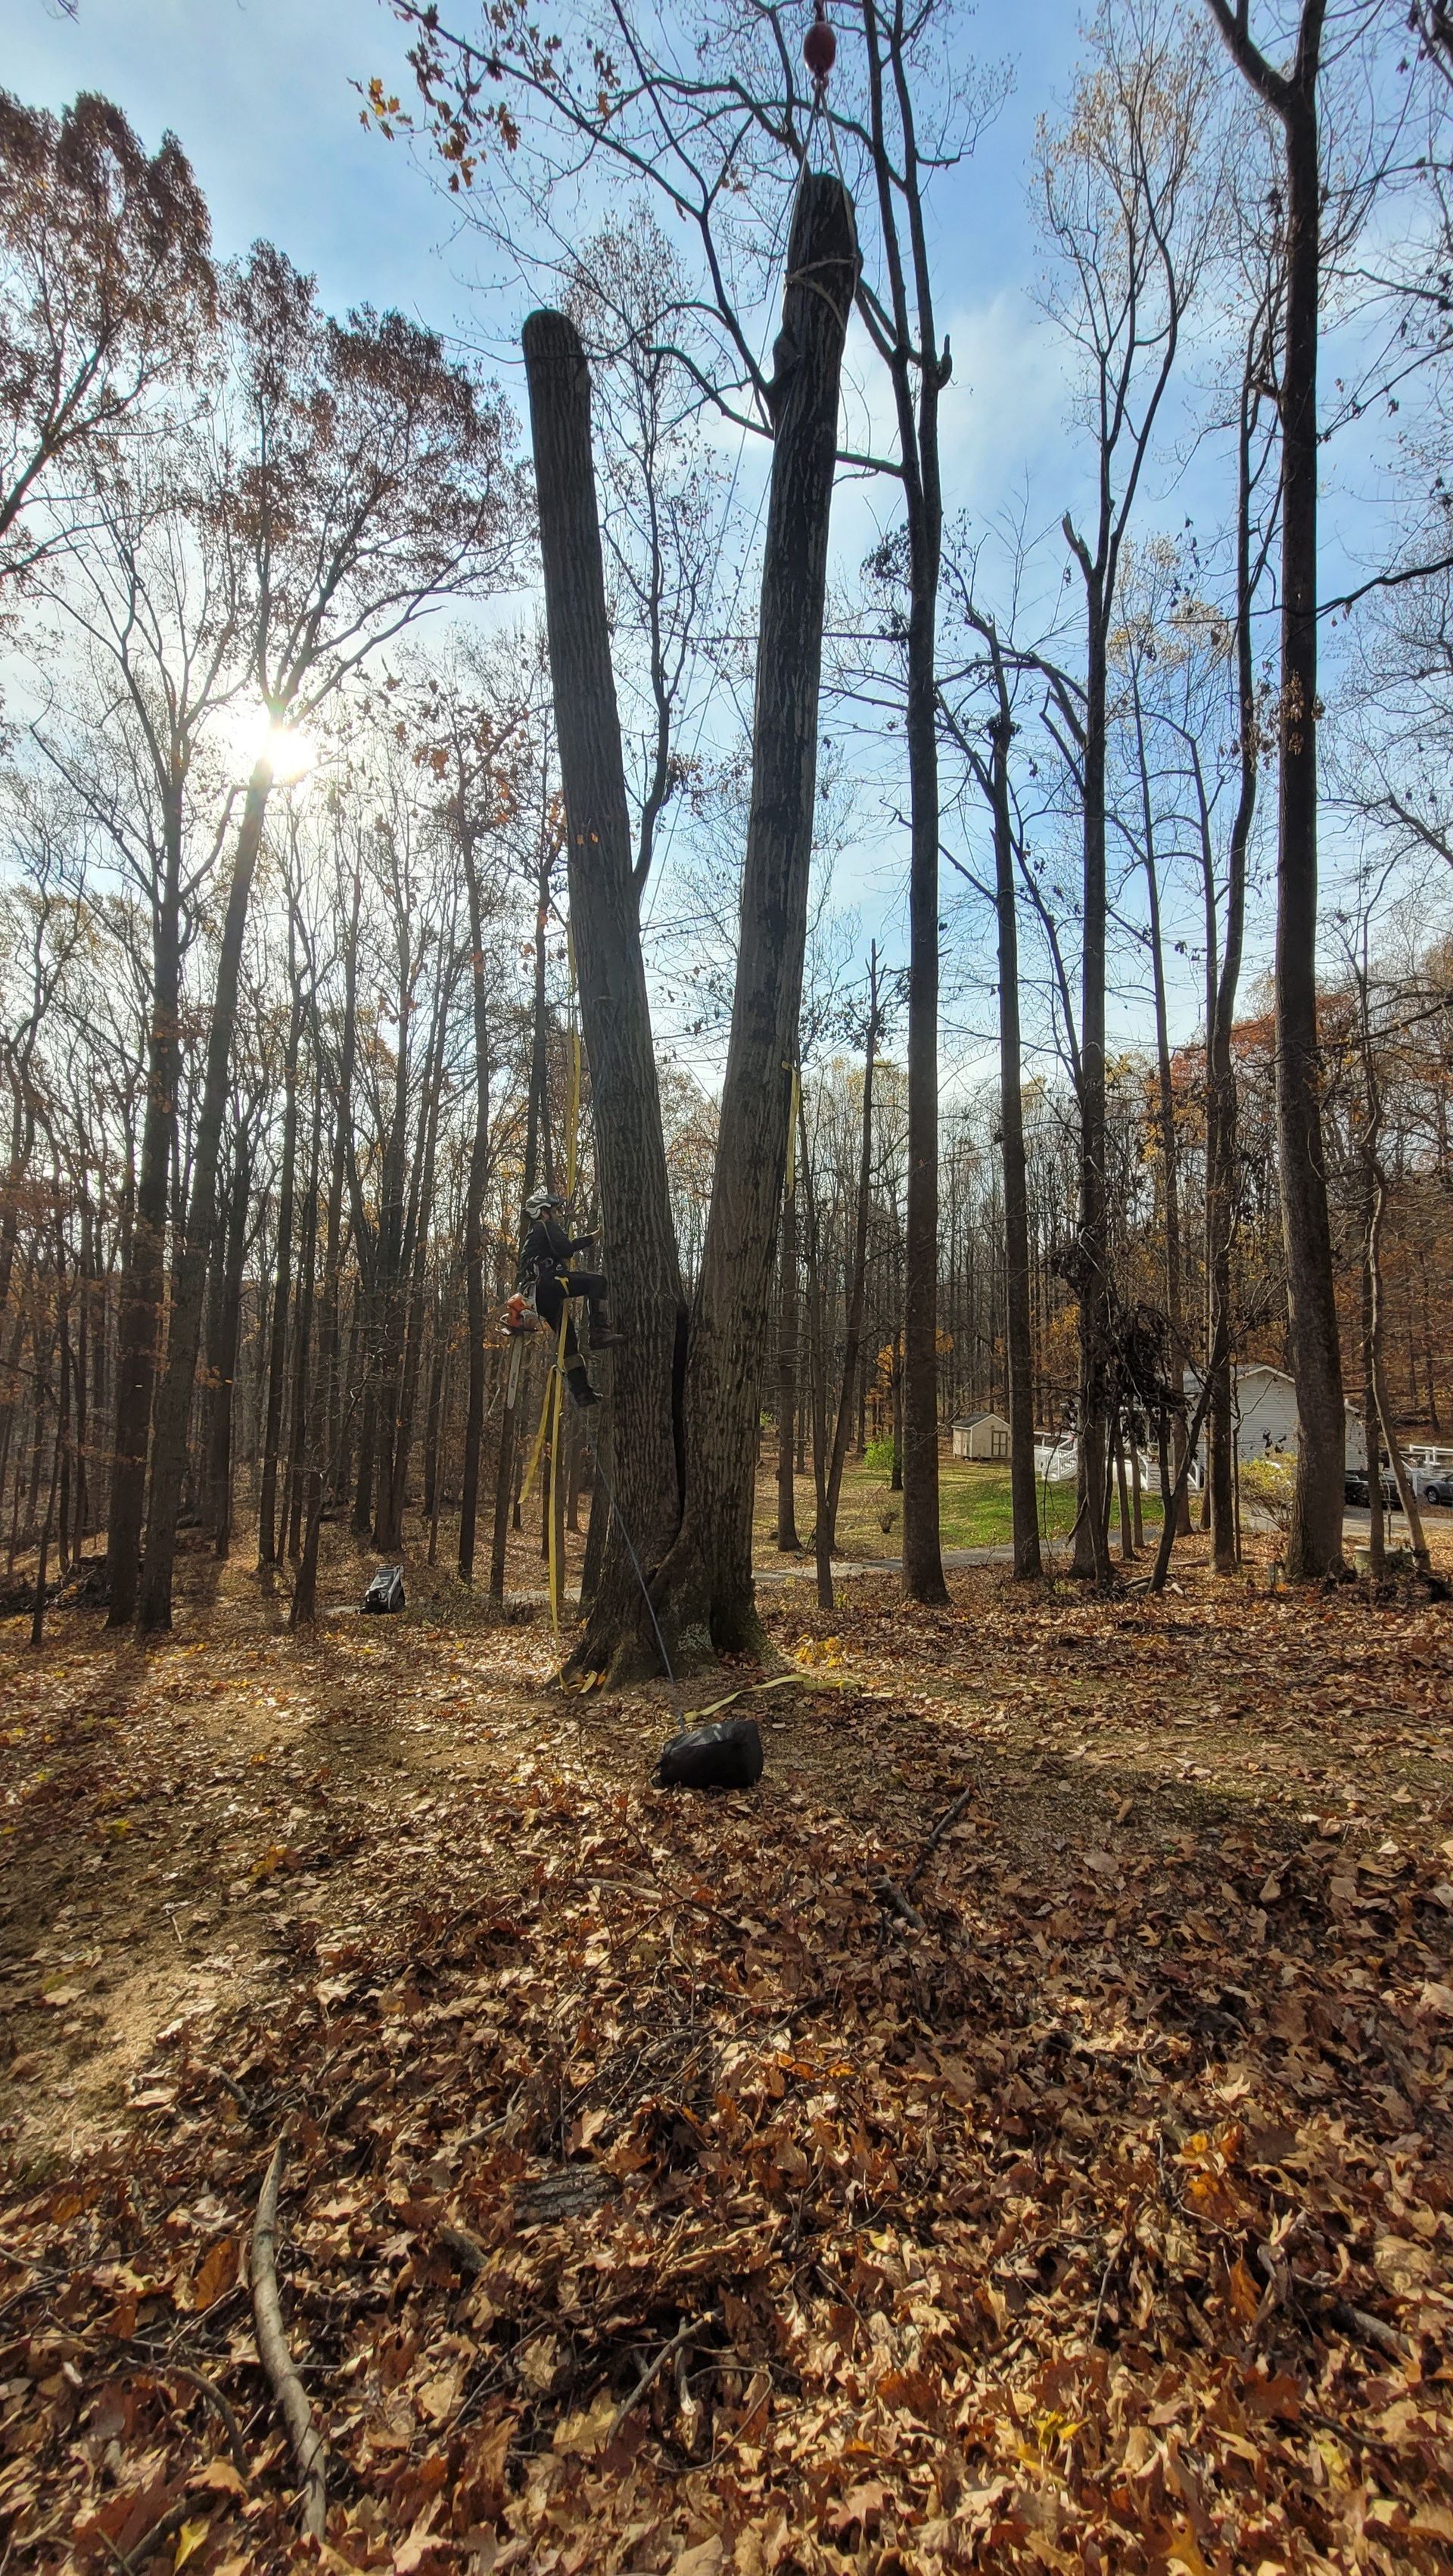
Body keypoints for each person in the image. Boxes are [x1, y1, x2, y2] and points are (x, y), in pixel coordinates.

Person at [519, 1187, 624, 1408]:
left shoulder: (535, 1235)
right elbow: (566, 1248)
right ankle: (599, 1333)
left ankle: (582, 1392)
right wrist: (594, 1237)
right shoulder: (543, 1226)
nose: (555, 1215)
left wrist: (593, 1236)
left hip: (537, 1295)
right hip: (546, 1283)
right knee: (597, 1283)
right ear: (543, 1212)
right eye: (552, 1211)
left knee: (568, 1339)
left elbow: (560, 1250)